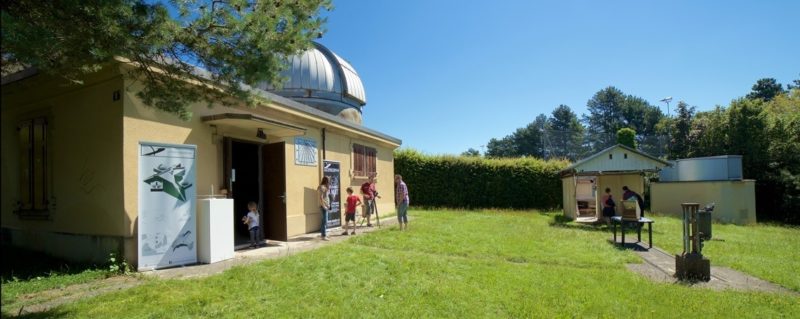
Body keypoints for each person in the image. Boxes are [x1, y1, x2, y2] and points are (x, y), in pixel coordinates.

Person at [318, 176, 331, 241]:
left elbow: (326, 197)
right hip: (323, 206)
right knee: (325, 221)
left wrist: (328, 205)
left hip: (326, 206)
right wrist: (324, 206)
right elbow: (321, 198)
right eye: (328, 180)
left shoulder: (326, 187)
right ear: (326, 181)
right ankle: (323, 236)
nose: (329, 182)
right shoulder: (321, 187)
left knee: (324, 221)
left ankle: (323, 234)